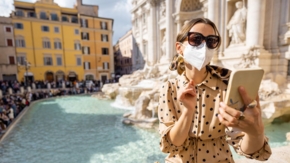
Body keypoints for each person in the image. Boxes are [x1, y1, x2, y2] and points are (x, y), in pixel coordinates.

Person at [158, 18, 271, 163]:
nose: (204, 46)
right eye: (196, 39)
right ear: (179, 47)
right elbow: (171, 146)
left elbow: (249, 149)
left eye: (211, 41)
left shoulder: (227, 87)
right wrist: (187, 112)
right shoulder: (168, 89)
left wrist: (256, 133)